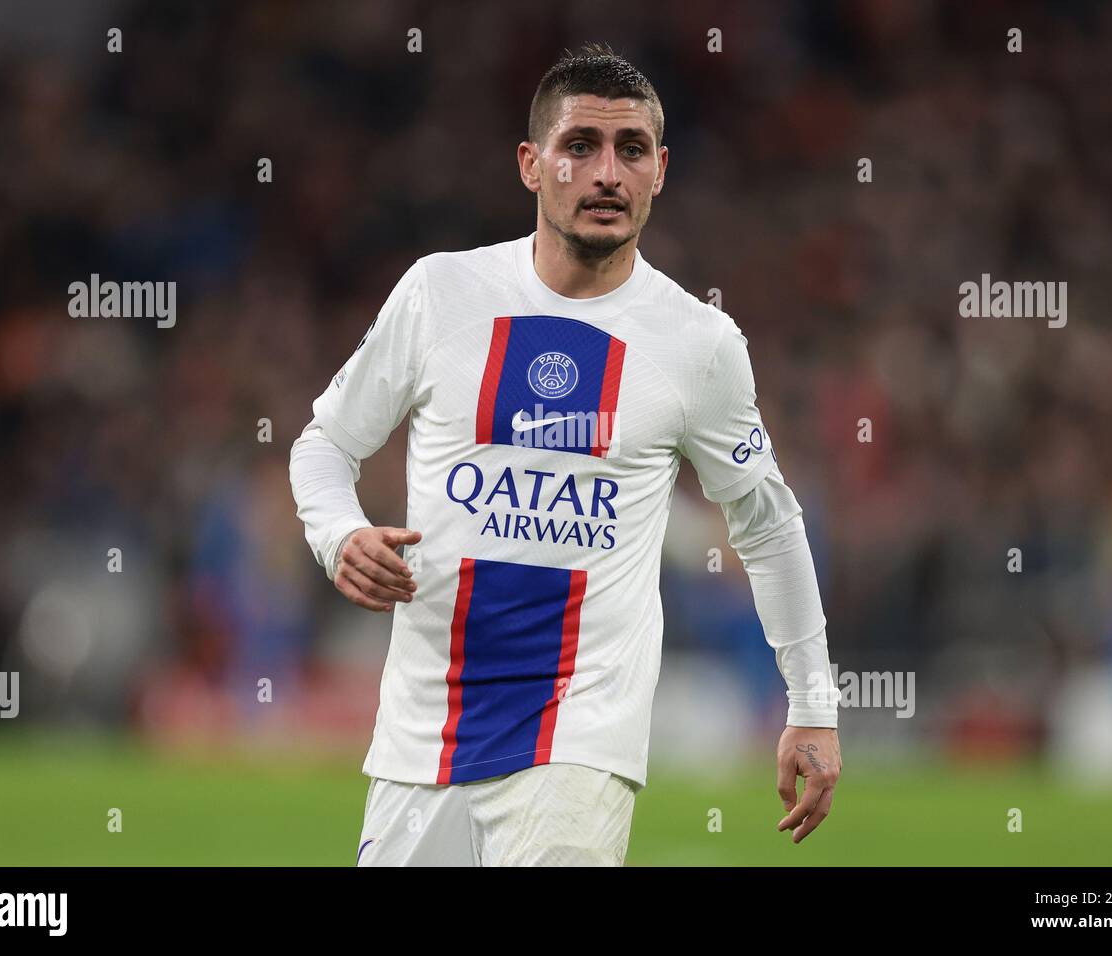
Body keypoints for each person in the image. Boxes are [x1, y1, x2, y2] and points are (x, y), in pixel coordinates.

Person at [289, 42, 840, 866]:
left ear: (661, 170)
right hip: (420, 737)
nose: (607, 173)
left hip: (579, 739)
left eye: (632, 150)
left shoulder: (698, 343)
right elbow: (326, 442)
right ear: (531, 164)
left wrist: (813, 702)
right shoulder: (442, 294)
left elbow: (767, 525)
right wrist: (340, 535)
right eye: (580, 146)